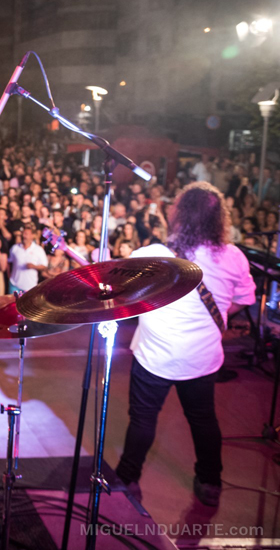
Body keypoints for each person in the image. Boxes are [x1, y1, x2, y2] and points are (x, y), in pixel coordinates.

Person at [114, 183, 256, 507]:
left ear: (178, 216)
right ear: (219, 219)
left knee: (143, 418)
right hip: (202, 359)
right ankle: (210, 482)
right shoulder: (234, 257)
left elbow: (116, 288)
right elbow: (244, 299)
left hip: (156, 356)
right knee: (203, 420)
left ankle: (126, 476)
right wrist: (216, 312)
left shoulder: (153, 256)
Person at [7, 226, 48, 294]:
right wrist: (9, 277)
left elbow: (44, 266)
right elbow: (9, 263)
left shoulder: (38, 249)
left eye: (26, 234)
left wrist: (34, 266)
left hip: (30, 287)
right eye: (23, 233)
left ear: (32, 236)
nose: (23, 236)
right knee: (13, 304)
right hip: (14, 285)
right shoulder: (15, 248)